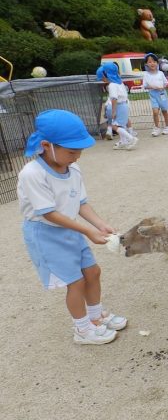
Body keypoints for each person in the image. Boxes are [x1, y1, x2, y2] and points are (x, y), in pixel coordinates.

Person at [17, 109, 127, 345]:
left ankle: (95, 317)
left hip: (71, 229)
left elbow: (80, 202)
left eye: (79, 151)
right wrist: (87, 231)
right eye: (71, 151)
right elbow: (48, 213)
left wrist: (100, 224)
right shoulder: (32, 174)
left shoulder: (73, 169)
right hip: (47, 234)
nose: (77, 156)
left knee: (92, 272)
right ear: (47, 145)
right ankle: (82, 329)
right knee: (75, 281)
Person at [100, 63, 138, 151]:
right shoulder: (119, 82)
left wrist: (113, 111)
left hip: (119, 106)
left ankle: (131, 138)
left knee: (114, 126)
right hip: (123, 105)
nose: (102, 79)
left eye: (103, 76)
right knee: (120, 125)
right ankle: (123, 141)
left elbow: (114, 99)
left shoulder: (112, 85)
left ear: (107, 75)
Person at [142, 52, 168, 137]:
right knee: (155, 112)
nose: (152, 63)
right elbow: (144, 86)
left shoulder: (161, 73)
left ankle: (167, 127)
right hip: (153, 94)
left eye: (154, 61)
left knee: (164, 111)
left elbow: (166, 83)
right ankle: (156, 127)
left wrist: (162, 87)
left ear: (157, 63)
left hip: (162, 94)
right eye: (150, 62)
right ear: (146, 64)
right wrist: (153, 87)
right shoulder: (146, 74)